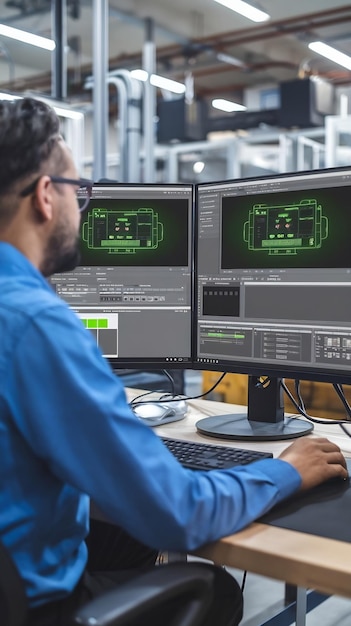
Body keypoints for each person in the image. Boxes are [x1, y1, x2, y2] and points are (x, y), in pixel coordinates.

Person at [0, 97, 347, 626]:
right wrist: (285, 472)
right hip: (34, 605)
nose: (83, 206)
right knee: (214, 587)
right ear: (47, 197)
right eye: (80, 191)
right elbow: (178, 514)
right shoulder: (34, 324)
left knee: (122, 536)